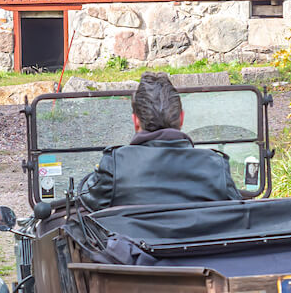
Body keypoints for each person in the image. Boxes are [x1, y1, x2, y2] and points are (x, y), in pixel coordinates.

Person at [80, 73, 242, 210]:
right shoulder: (215, 165)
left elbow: (86, 200)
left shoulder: (114, 166)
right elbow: (238, 213)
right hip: (197, 248)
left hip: (133, 248)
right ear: (181, 118)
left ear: (135, 120)